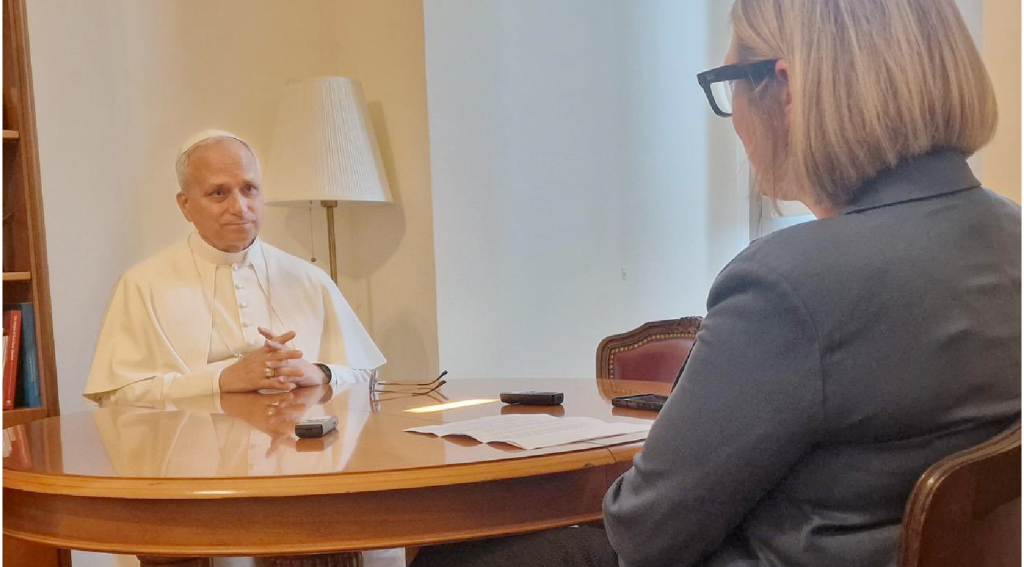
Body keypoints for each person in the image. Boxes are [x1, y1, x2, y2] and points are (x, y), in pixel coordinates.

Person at [412, 0, 1021, 566]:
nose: (733, 121)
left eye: (728, 85)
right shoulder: (1009, 235)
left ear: (785, 88)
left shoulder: (791, 283)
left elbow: (647, 533)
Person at [85, 130, 386, 406]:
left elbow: (368, 377)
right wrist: (220, 381)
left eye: (249, 189)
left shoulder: (309, 279)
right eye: (219, 193)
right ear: (185, 205)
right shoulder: (142, 285)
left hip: (298, 444)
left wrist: (320, 372)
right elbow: (116, 397)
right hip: (194, 447)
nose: (239, 207)